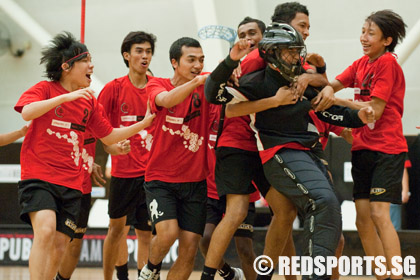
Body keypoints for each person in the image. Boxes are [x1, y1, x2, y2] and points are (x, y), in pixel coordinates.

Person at [204, 23, 375, 280]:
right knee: (242, 212)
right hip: (258, 148)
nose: (297, 56)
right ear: (271, 51)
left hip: (304, 149)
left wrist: (358, 115)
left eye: (299, 50)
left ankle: (274, 276)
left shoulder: (300, 75)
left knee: (295, 212)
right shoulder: (250, 70)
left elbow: (326, 106)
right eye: (290, 51)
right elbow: (220, 101)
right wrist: (231, 62)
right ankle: (209, 275)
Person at [13, 31, 155, 280]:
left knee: (59, 245)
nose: (92, 66)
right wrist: (66, 96)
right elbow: (27, 112)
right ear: (67, 66)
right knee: (45, 230)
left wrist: (144, 123)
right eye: (86, 61)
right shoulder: (45, 89)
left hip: (72, 185)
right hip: (39, 178)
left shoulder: (89, 103)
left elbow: (109, 136)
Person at [329, 10, 407, 279]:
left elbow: (373, 109)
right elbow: (331, 86)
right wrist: (314, 82)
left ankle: (396, 275)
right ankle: (381, 275)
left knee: (378, 213)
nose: (363, 37)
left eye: (370, 33)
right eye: (363, 31)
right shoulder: (360, 63)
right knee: (362, 218)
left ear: (387, 40)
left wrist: (338, 101)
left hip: (387, 148)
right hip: (361, 147)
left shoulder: (387, 63)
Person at [137, 37, 211, 280]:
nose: (197, 65)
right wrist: (199, 81)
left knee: (189, 248)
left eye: (201, 60)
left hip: (196, 182)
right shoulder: (156, 84)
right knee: (167, 234)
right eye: (191, 60)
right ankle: (151, 269)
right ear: (174, 63)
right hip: (161, 180)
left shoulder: (205, 85)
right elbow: (167, 100)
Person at [198, 16, 266, 280]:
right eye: (242, 34)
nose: (248, 39)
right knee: (205, 238)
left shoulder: (268, 74)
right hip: (215, 181)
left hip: (250, 165)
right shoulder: (225, 76)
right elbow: (209, 84)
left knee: (246, 248)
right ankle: (226, 274)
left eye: (253, 33)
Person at [98, 31, 156, 280]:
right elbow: (100, 133)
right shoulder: (113, 89)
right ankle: (115, 277)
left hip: (152, 174)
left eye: (148, 51)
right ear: (127, 55)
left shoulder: (159, 89)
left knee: (146, 233)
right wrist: (112, 149)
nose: (145, 56)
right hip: (123, 173)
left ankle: (145, 277)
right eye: (139, 51)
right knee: (116, 229)